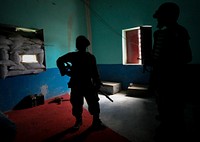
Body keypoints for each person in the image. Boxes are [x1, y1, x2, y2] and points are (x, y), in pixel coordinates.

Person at [150, 2, 192, 141]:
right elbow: (155, 56)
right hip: (161, 78)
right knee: (162, 104)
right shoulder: (159, 34)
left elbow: (187, 56)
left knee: (175, 108)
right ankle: (165, 123)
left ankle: (174, 129)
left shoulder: (180, 32)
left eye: (160, 17)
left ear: (168, 17)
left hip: (174, 79)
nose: (158, 20)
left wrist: (168, 61)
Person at [56, 35, 103, 130]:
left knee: (93, 103)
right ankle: (79, 120)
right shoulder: (74, 55)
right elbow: (59, 61)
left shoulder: (90, 57)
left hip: (87, 84)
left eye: (83, 44)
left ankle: (96, 121)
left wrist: (97, 83)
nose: (82, 46)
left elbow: (94, 72)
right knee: (77, 104)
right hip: (77, 84)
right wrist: (65, 71)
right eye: (80, 45)